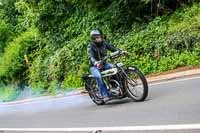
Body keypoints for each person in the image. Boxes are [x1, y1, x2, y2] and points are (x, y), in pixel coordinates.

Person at [87, 29, 126, 101]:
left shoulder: (103, 43)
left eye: (100, 36)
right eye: (98, 37)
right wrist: (95, 62)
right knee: (98, 76)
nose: (100, 38)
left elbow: (112, 48)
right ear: (94, 39)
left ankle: (115, 87)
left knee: (114, 68)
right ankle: (104, 94)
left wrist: (121, 51)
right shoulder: (90, 46)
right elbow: (90, 56)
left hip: (104, 64)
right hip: (94, 67)